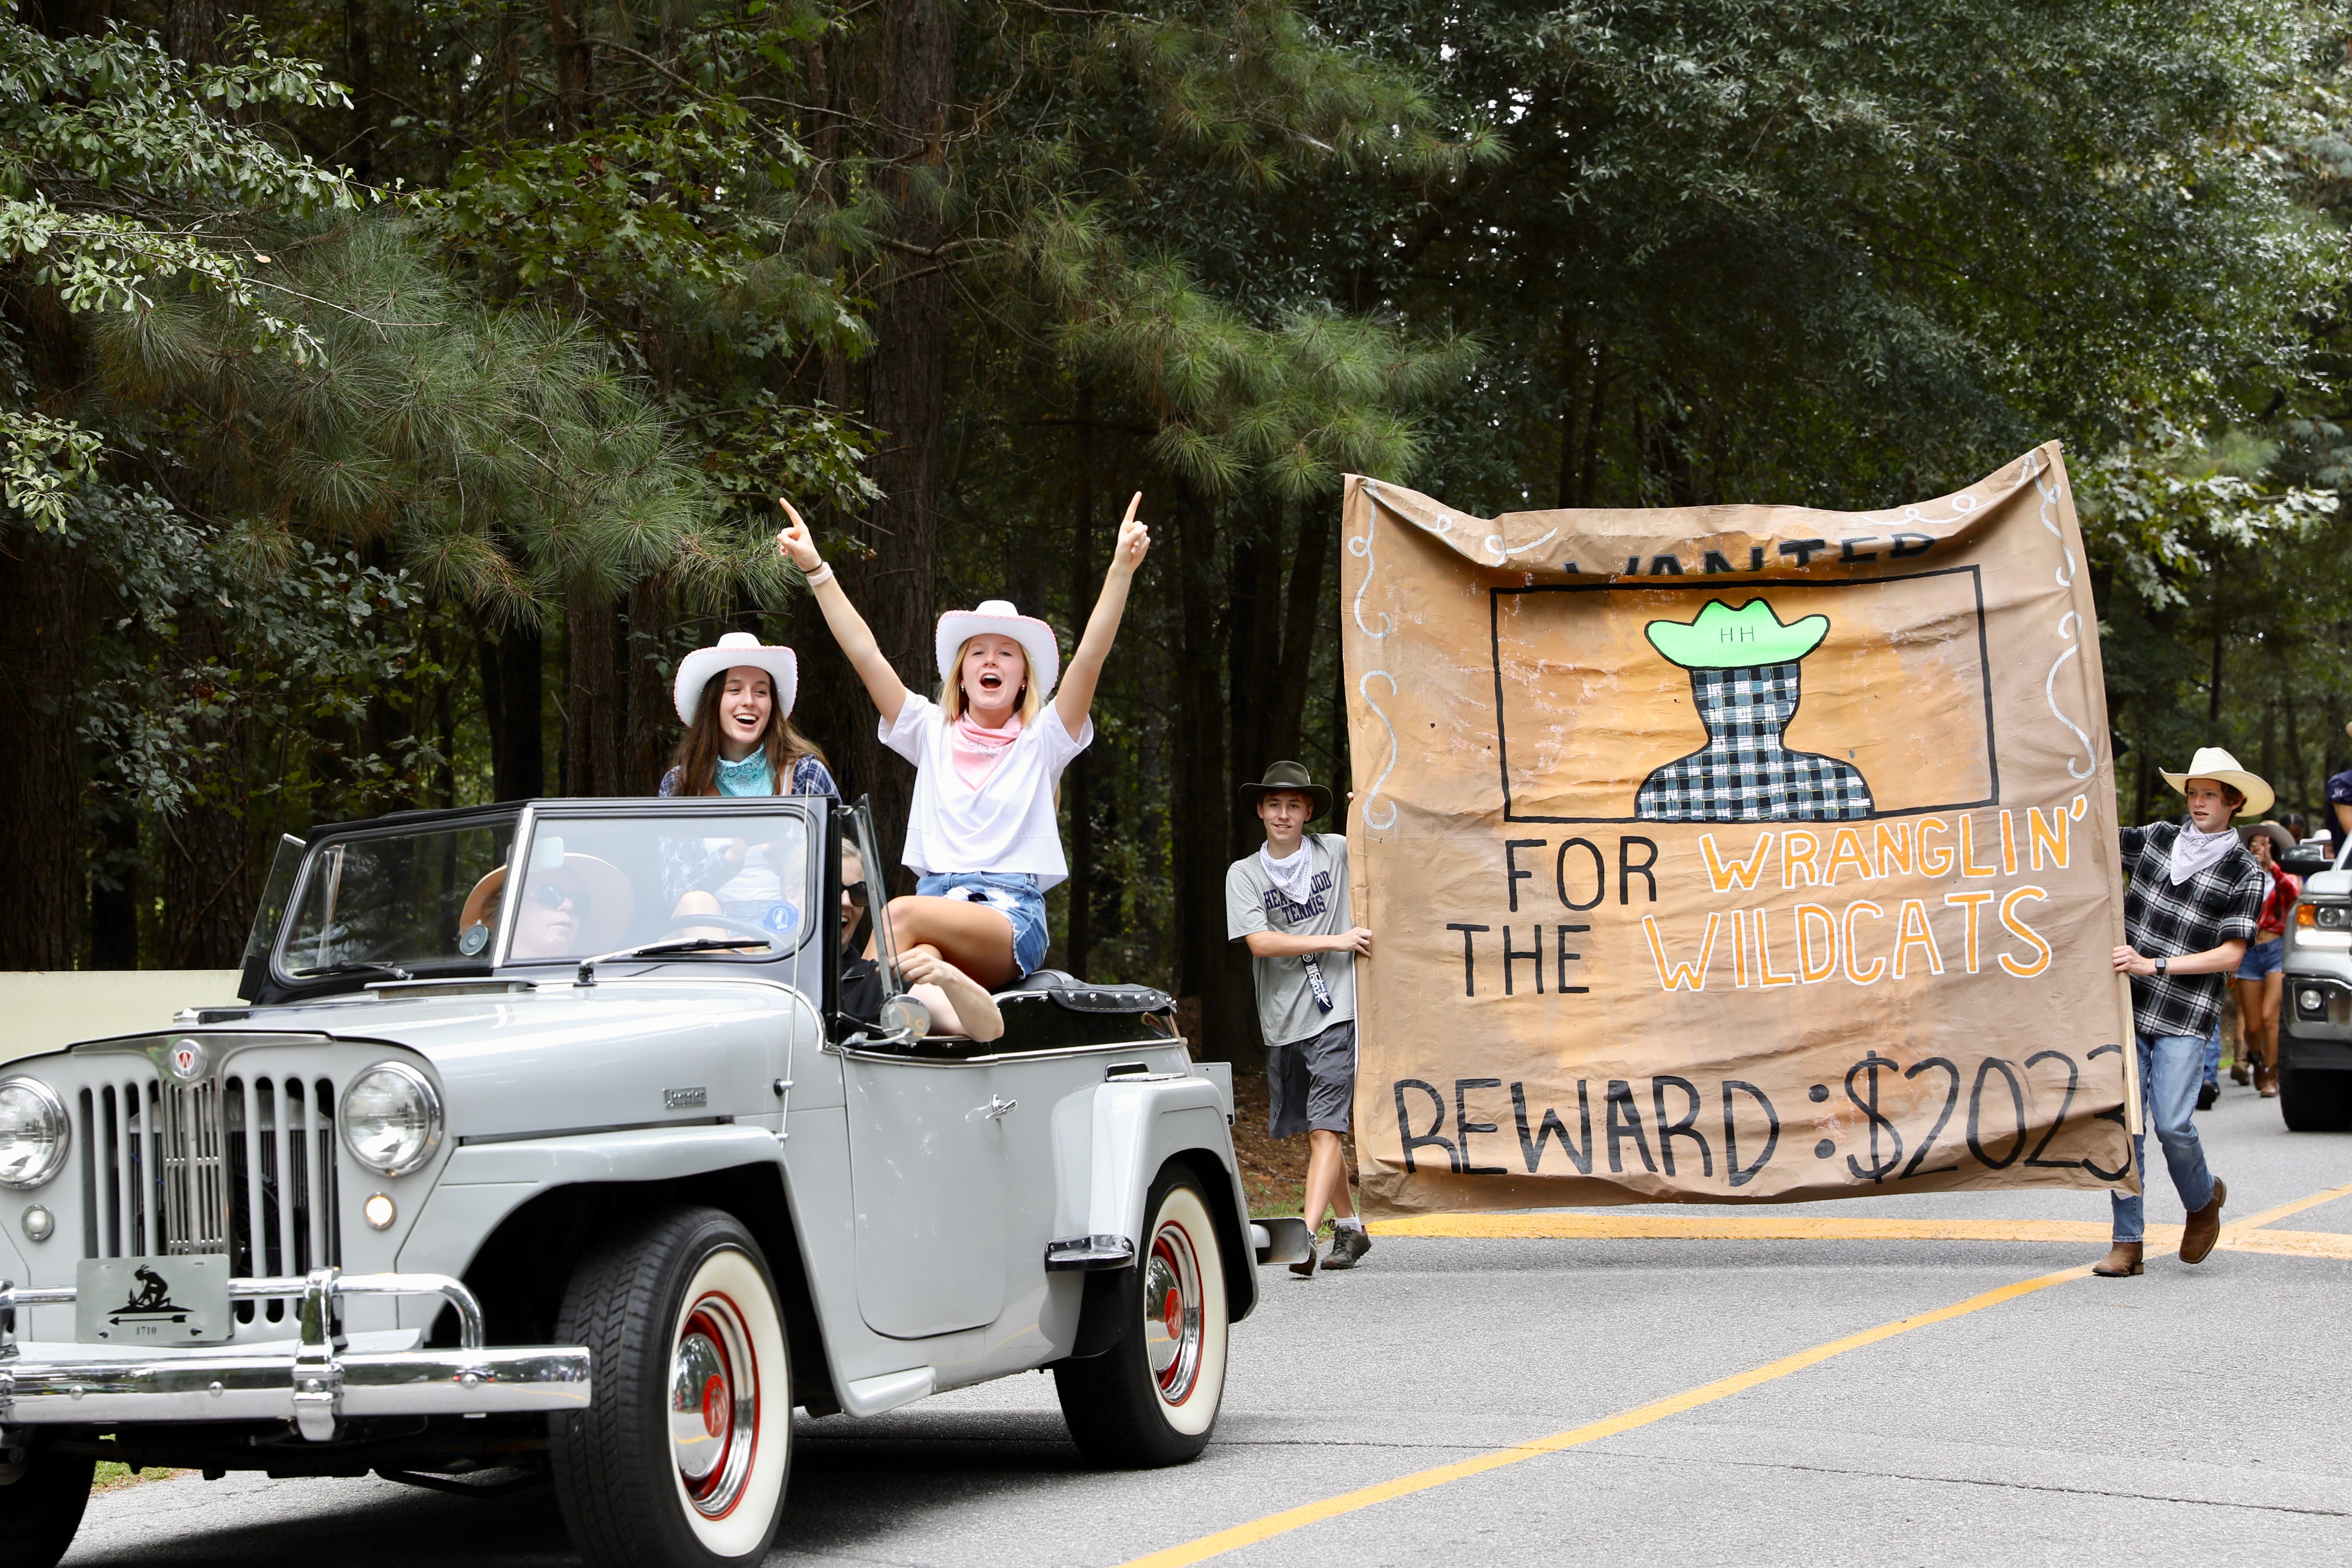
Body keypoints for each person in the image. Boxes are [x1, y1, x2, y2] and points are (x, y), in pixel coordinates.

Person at [776, 493, 1148, 988]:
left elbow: (1089, 659)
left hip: (1009, 916)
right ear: (961, 673)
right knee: (916, 980)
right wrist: (816, 569)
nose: (989, 661)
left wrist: (1121, 569)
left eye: (1005, 654)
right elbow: (865, 653)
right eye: (977, 652)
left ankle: (835, 1027)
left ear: (1022, 679)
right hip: (937, 909)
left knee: (897, 918)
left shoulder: (1045, 739)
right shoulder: (928, 729)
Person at [2099, 746, 2270, 1278]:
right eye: (2192, 793)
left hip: (2185, 1012)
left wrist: (2156, 964)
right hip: (2128, 1009)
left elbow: (2231, 955)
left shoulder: (2245, 871)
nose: (2197, 802)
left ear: (2233, 803)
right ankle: (2127, 1242)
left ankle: (2201, 1203)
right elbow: (2090, 836)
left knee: (2172, 1125)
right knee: (2126, 1129)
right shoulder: (2155, 839)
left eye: (2209, 795)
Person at [1226, 761, 1372, 1278]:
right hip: (1284, 1017)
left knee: (1326, 1128)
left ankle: (1305, 1237)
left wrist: (1369, 803)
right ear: (1261, 812)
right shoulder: (1244, 874)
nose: (1283, 814)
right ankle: (1350, 1227)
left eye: (1293, 805)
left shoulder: (1334, 851)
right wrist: (1334, 940)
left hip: (1338, 1009)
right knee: (1315, 1128)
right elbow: (1259, 943)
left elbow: (1384, 841)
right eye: (1273, 805)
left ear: (1308, 811)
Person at [658, 631, 838, 938]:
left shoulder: (806, 772)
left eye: (761, 691)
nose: (749, 702)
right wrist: (734, 853)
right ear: (713, 700)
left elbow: (838, 871)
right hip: (709, 936)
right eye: (735, 689)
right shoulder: (681, 783)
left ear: (772, 705)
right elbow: (676, 889)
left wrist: (781, 848)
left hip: (790, 930)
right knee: (696, 901)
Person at [836, 844, 1002, 1042]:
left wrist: (949, 976)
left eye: (858, 892)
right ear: (794, 896)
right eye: (832, 888)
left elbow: (989, 1029)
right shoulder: (790, 976)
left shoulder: (876, 981)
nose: (846, 902)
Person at [2233, 820, 2301, 1099]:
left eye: (2265, 843)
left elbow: (2294, 896)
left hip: (2275, 951)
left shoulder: (2285, 875)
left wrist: (2272, 866)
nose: (2259, 847)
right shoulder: (2242, 875)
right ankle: (2258, 1060)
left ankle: (2272, 1075)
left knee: (2269, 1017)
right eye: (2255, 843)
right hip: (2249, 953)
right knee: (2252, 1026)